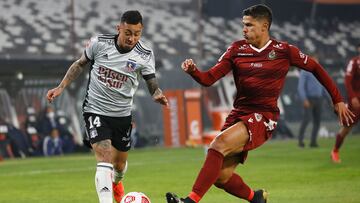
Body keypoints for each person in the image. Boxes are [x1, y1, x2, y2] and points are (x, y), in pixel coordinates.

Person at [165, 4, 354, 203]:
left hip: (264, 116)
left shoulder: (284, 51)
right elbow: (208, 78)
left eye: (249, 25)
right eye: (243, 25)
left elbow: (316, 68)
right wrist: (194, 71)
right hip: (238, 114)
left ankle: (189, 201)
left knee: (217, 145)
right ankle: (255, 198)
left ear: (264, 26)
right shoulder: (236, 50)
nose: (244, 29)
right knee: (221, 178)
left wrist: (338, 99)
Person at [46, 10, 168, 203]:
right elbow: (79, 64)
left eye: (137, 33)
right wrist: (61, 87)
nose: (132, 38)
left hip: (122, 114)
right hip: (95, 110)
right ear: (118, 28)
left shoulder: (145, 54)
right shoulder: (99, 43)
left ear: (141, 31)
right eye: (128, 32)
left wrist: (156, 93)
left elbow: (150, 80)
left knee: (119, 165)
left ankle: (117, 182)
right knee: (104, 157)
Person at [331, 43, 360, 163]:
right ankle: (335, 151)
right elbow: (347, 81)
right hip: (356, 101)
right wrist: (353, 97)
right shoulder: (354, 62)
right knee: (347, 128)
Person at [297, 55, 326, 148]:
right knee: (307, 119)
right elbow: (300, 87)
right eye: (313, 60)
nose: (316, 62)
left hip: (319, 98)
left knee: (317, 121)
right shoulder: (305, 70)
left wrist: (330, 99)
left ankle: (313, 141)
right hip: (309, 99)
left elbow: (324, 85)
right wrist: (304, 99)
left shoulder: (320, 71)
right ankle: (300, 141)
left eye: (316, 60)